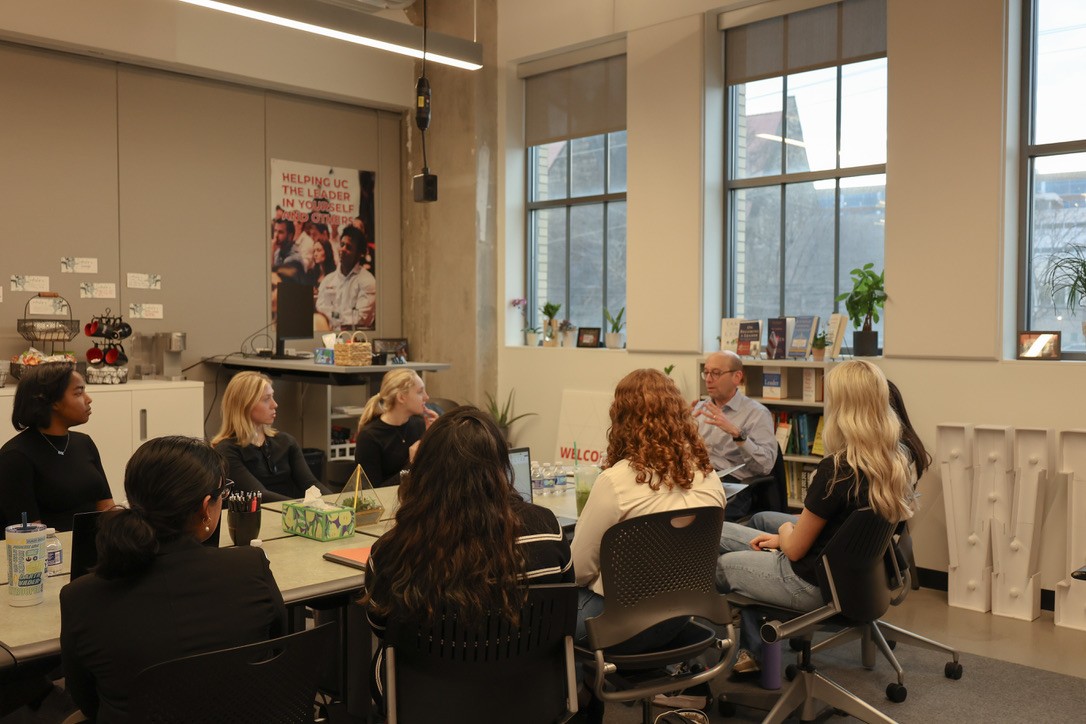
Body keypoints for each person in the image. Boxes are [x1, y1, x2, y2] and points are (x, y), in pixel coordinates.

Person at [59, 436, 287, 723]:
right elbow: (277, 653)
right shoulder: (250, 566)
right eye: (223, 493)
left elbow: (85, 698)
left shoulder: (80, 597)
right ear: (206, 507)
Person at [362, 406, 573, 710]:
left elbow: (382, 629)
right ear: (502, 465)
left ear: (425, 469)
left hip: (426, 700)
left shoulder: (392, 550)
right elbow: (561, 607)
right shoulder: (547, 530)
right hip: (527, 693)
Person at [715, 359, 915, 677]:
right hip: (846, 578)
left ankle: (698, 649)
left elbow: (794, 551)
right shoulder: (894, 459)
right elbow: (833, 528)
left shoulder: (836, 468)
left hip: (808, 583)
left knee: (715, 553)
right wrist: (783, 539)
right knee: (744, 529)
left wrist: (783, 534)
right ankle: (750, 651)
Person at [572, 368, 726, 643]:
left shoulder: (615, 482)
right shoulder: (709, 476)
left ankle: (577, 683)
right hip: (680, 618)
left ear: (620, 419)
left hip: (617, 627)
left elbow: (579, 571)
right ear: (681, 415)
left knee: (540, 612)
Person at [0, 362, 114, 534]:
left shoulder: (84, 443)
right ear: (51, 401)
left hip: (96, 547)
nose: (88, 399)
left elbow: (106, 507)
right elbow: (31, 533)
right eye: (78, 393)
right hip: (50, 554)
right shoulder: (15, 456)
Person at [211, 371, 333, 502]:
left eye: (272, 397)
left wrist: (336, 502)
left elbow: (310, 483)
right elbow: (260, 495)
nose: (274, 404)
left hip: (290, 515)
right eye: (266, 399)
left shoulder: (287, 442)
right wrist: (300, 508)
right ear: (245, 405)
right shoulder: (226, 451)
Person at [692, 351, 777, 520]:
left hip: (732, 485)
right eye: (706, 372)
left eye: (715, 373)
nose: (708, 379)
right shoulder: (699, 409)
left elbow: (765, 465)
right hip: (697, 479)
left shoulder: (757, 414)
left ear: (737, 377)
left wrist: (737, 435)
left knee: (699, 520)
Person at [353, 369, 438, 487]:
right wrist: (412, 464)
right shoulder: (369, 437)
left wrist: (436, 434)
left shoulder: (420, 424)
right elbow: (371, 493)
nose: (426, 397)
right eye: (420, 392)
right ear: (401, 398)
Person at [316, 224, 377, 330]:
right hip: (327, 337)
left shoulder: (368, 281)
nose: (342, 249)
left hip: (355, 340)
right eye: (342, 244)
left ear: (359, 254)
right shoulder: (328, 280)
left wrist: (333, 316)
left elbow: (360, 319)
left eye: (348, 247)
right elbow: (320, 309)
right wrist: (340, 317)